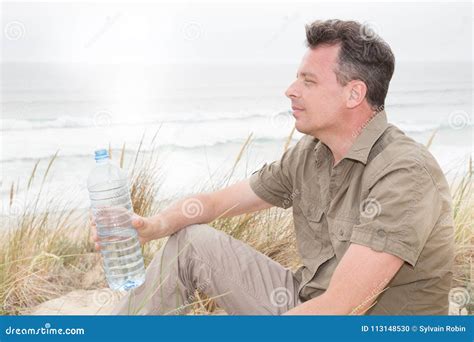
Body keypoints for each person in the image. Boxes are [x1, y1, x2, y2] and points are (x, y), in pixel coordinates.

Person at [91, 19, 454, 315]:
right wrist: (152, 227)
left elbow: (342, 306)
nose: (290, 90)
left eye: (308, 81)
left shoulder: (405, 173)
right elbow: (217, 204)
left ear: (354, 94)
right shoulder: (312, 153)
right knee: (192, 241)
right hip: (305, 306)